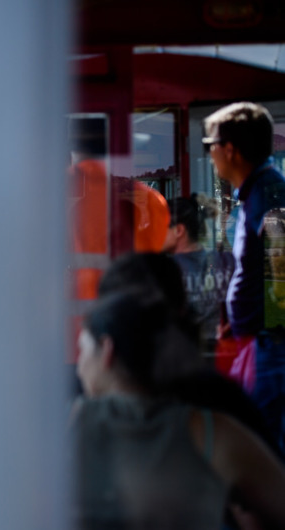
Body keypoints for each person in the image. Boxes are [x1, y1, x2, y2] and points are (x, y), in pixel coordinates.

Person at [74, 288, 285, 529]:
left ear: (107, 349)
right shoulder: (209, 431)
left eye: (83, 350)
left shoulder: (70, 426)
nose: (80, 366)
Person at [206, 102, 285, 450]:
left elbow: (281, 279)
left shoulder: (268, 194)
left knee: (265, 444)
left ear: (231, 150)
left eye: (211, 146)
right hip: (260, 343)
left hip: (271, 347)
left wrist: (268, 334)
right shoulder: (258, 193)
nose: (209, 154)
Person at [163, 195, 235, 351]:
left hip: (186, 356)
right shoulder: (228, 262)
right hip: (226, 353)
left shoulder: (164, 270)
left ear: (179, 230)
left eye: (160, 226)